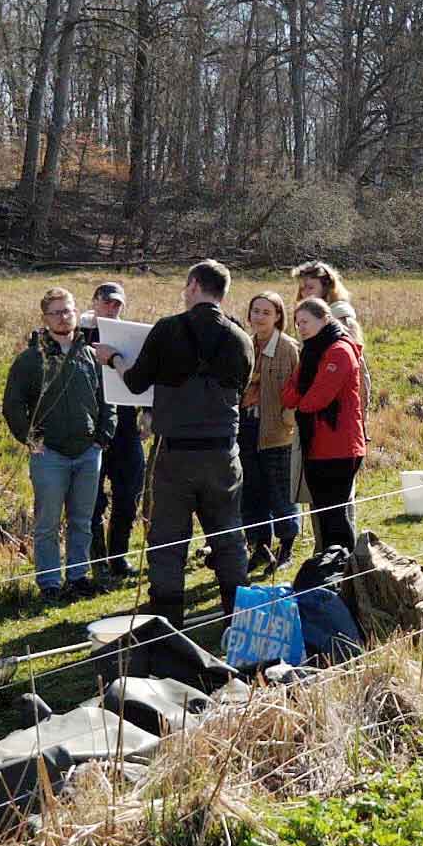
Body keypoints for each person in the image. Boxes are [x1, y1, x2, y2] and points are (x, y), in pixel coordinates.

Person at [93, 260, 254, 626]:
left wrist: (113, 358)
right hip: (224, 453)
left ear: (194, 285)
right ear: (223, 292)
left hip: (175, 453)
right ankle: (240, 619)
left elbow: (134, 383)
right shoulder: (240, 338)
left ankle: (168, 628)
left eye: (186, 286)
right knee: (229, 537)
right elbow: (241, 389)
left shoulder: (168, 329)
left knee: (167, 543)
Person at [4, 287, 116, 601]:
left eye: (67, 310)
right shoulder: (30, 359)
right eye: (56, 312)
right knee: (47, 522)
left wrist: (103, 437)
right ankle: (50, 584)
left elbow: (107, 399)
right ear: (45, 318)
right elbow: (13, 405)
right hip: (49, 453)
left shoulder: (91, 355)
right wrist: (31, 440)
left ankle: (79, 577)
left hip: (88, 452)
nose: (63, 317)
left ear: (76, 312)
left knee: (82, 520)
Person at [282, 298, 368, 554]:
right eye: (297, 324)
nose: (301, 328)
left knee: (335, 517)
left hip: (340, 446)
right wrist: (300, 399)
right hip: (316, 446)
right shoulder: (310, 352)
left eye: (306, 322)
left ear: (324, 319)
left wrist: (300, 401)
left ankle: (346, 570)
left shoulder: (340, 350)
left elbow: (316, 399)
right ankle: (331, 567)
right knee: (324, 514)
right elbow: (287, 395)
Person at [239, 290, 302, 576]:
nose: (259, 317)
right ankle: (260, 548)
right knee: (252, 493)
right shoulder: (245, 345)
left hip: (278, 432)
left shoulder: (288, 348)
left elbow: (297, 389)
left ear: (278, 317)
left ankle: (286, 549)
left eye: (266, 312)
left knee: (281, 493)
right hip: (247, 429)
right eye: (255, 311)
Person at [84, 282, 139, 581]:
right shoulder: (80, 335)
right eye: (106, 302)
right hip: (91, 428)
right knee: (92, 499)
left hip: (127, 426)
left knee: (128, 494)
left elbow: (145, 376)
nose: (111, 308)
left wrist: (150, 413)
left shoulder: (131, 336)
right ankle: (98, 561)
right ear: (94, 302)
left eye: (117, 304)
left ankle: (119, 557)